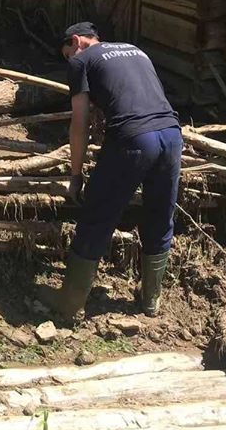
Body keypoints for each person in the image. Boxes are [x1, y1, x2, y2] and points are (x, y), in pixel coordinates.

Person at [40, 22, 183, 319]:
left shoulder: (81, 60)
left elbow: (79, 123)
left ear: (77, 41)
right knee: (159, 214)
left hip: (133, 139)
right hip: (171, 135)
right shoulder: (136, 50)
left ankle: (69, 302)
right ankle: (150, 301)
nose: (70, 59)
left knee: (97, 214)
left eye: (67, 53)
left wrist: (76, 176)